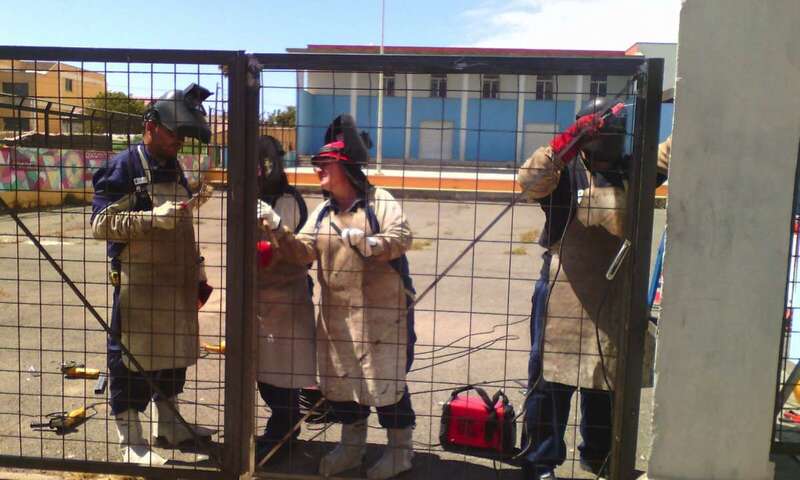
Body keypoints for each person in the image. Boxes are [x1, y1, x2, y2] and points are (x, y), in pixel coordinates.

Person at [516, 98, 670, 479]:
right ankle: (540, 461)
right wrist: (562, 144)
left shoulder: (633, 171)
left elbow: (669, 153)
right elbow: (529, 180)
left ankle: (599, 456)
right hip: (562, 294)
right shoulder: (565, 174)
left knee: (604, 378)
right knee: (550, 378)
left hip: (613, 293)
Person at [258, 114, 417, 479]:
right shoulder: (323, 212)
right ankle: (351, 446)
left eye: (324, 164)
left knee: (386, 381)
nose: (317, 169)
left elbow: (402, 236)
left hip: (383, 314)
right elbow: (303, 253)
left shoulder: (380, 202)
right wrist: (278, 229)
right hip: (337, 317)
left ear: (346, 166)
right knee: (343, 381)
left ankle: (400, 450)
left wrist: (372, 243)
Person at [91, 83, 215, 465]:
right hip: (138, 288)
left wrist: (197, 269)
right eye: (174, 133)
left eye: (184, 135)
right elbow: (100, 225)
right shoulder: (124, 167)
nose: (180, 141)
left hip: (175, 283)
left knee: (172, 356)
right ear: (151, 126)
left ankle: (171, 426)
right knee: (130, 359)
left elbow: (177, 220)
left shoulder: (173, 166)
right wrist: (149, 219)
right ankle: (131, 441)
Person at [253, 135, 316, 465]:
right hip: (259, 298)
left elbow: (286, 249)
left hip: (285, 298)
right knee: (265, 373)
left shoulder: (286, 200)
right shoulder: (254, 196)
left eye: (265, 163)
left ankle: (283, 434)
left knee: (282, 376)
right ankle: (281, 431)